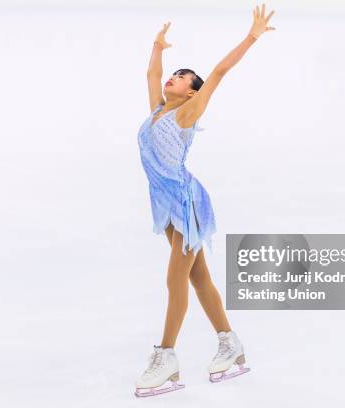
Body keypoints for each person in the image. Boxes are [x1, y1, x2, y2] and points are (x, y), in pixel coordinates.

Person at [134, 4, 275, 397]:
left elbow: (218, 72)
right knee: (199, 278)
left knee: (175, 277)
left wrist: (252, 36)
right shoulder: (158, 111)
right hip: (165, 204)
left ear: (192, 93)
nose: (173, 80)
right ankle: (230, 344)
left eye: (182, 78)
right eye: (174, 76)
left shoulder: (187, 114)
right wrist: (158, 48)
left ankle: (167, 356)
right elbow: (151, 74)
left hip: (186, 203)